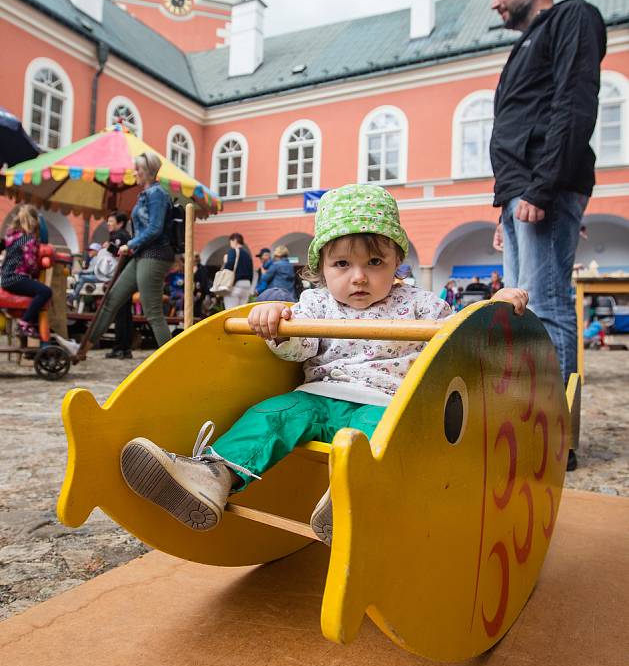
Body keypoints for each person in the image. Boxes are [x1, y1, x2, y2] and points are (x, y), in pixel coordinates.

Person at [119, 184, 528, 547]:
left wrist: (492, 309)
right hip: (318, 396)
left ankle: (355, 499)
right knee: (270, 415)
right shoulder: (315, 303)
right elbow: (300, 348)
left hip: (385, 403)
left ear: (397, 262)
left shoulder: (422, 304)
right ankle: (211, 476)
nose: (359, 278)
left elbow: (458, 338)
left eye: (374, 263)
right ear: (321, 268)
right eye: (342, 265)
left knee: (380, 440)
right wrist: (277, 328)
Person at [490, 0, 607, 472]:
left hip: (542, 185)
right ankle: (527, 423)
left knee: (548, 306)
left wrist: (544, 186)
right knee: (519, 309)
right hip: (522, 189)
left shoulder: (572, 17)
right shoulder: (523, 44)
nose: (495, 1)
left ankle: (555, 435)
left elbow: (573, 101)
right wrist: (505, 206)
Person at [75, 152, 175, 360]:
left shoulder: (157, 194)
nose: (134, 172)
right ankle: (83, 348)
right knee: (111, 300)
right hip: (141, 256)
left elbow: (155, 228)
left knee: (153, 311)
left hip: (154, 256)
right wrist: (133, 245)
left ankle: (173, 358)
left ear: (147, 171)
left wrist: (130, 244)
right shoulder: (145, 194)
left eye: (138, 169)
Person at [0, 204, 51, 337]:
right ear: (34, 221)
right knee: (45, 291)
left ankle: (30, 327)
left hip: (6, 278)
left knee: (36, 292)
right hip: (16, 278)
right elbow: (30, 263)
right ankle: (24, 323)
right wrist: (35, 272)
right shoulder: (28, 239)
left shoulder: (12, 236)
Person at [103, 211, 134, 359]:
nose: (108, 224)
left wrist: (108, 247)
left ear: (120, 223)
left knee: (120, 313)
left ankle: (120, 347)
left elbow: (122, 255)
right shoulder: (125, 235)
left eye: (111, 221)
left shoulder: (119, 236)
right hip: (127, 277)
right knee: (125, 313)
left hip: (121, 277)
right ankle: (125, 347)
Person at [222, 233, 254, 309]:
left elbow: (229, 265)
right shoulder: (247, 254)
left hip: (235, 285)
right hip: (246, 285)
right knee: (241, 313)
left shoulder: (232, 251)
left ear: (234, 240)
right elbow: (251, 272)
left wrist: (225, 262)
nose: (231, 244)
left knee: (231, 312)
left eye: (231, 242)